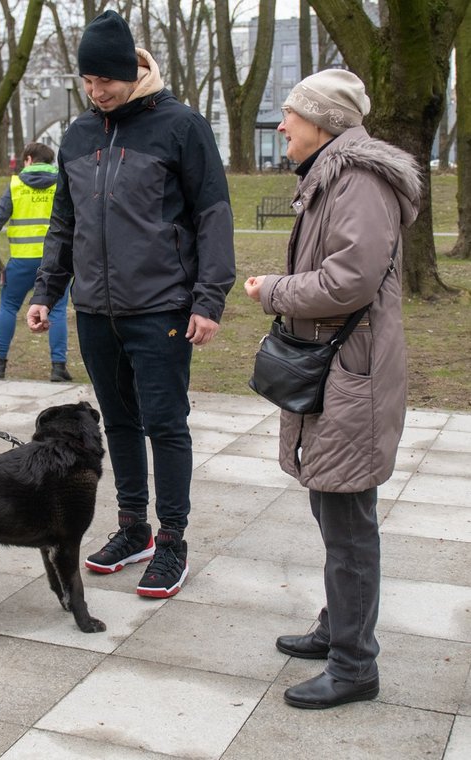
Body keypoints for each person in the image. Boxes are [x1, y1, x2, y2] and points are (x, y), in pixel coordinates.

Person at [26, 11, 235, 598]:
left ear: (131, 72)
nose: (97, 92)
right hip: (95, 309)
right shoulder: (78, 135)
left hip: (162, 308)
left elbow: (213, 216)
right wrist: (48, 290)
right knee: (117, 421)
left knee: (166, 425)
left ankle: (172, 541)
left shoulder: (181, 127)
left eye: (105, 81)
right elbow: (63, 221)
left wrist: (209, 299)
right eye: (87, 81)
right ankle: (134, 527)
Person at [244, 69, 420, 709]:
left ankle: (354, 666)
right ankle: (337, 628)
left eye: (290, 115)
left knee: (348, 521)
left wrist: (275, 293)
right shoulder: (333, 175)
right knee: (333, 507)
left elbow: (351, 279)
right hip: (342, 369)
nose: (282, 126)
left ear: (323, 122)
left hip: (355, 376)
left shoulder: (359, 180)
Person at [0, 142, 71, 382]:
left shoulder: (16, 185)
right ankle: (58, 367)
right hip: (55, 262)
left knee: (8, 307)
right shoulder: (61, 183)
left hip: (22, 261)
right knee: (56, 311)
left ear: (27, 159)